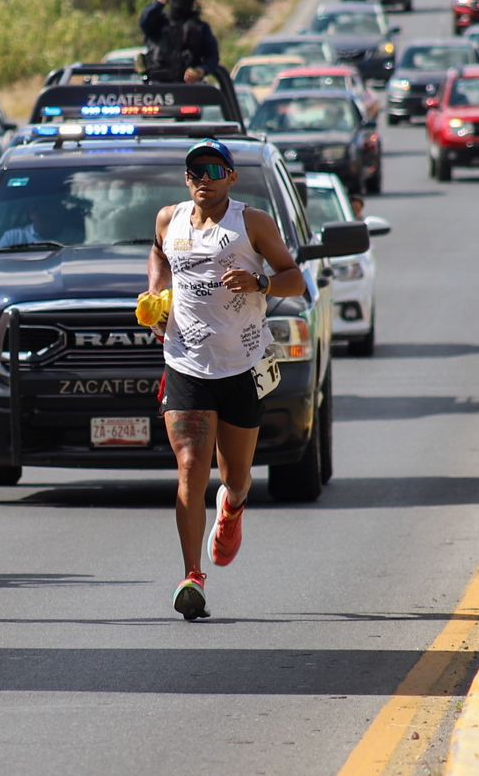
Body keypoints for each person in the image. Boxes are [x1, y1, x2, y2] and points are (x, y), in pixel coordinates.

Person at [146, 139, 306, 621]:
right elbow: (158, 254)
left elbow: (295, 278)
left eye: (215, 170)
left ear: (232, 177)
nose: (204, 178)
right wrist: (156, 293)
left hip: (242, 364)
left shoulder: (251, 223)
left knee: (235, 478)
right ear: (186, 178)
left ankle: (232, 507)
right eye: (195, 170)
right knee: (191, 466)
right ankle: (192, 576)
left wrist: (261, 283)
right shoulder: (169, 220)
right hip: (186, 363)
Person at [139, 0, 220, 84]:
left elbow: (212, 58)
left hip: (188, 88)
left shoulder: (200, 28)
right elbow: (144, 21)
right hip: (156, 88)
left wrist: (200, 71)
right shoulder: (157, 23)